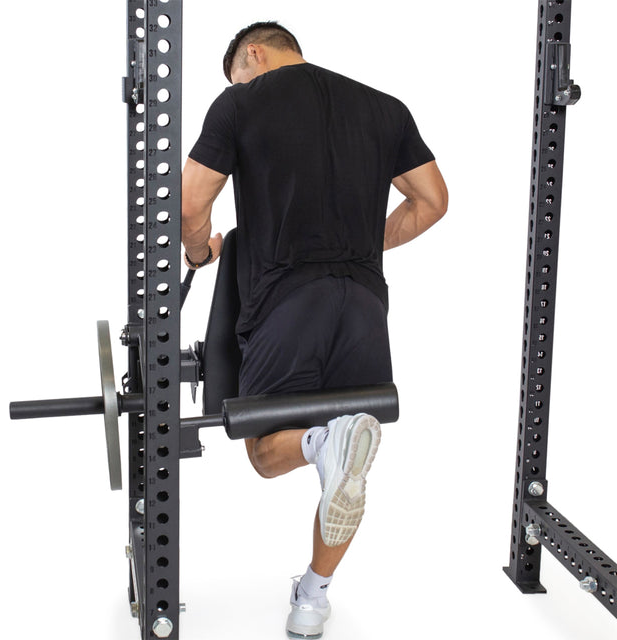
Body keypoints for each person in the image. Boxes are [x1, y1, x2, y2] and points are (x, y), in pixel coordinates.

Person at [181, 21, 448, 639]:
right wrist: (363, 242)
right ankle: (312, 597)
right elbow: (431, 201)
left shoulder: (240, 102)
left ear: (253, 54)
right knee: (349, 449)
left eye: (238, 75)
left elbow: (193, 205)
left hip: (286, 300)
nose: (238, 85)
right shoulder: (384, 107)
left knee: (266, 449)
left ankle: (319, 444)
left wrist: (199, 254)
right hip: (363, 304)